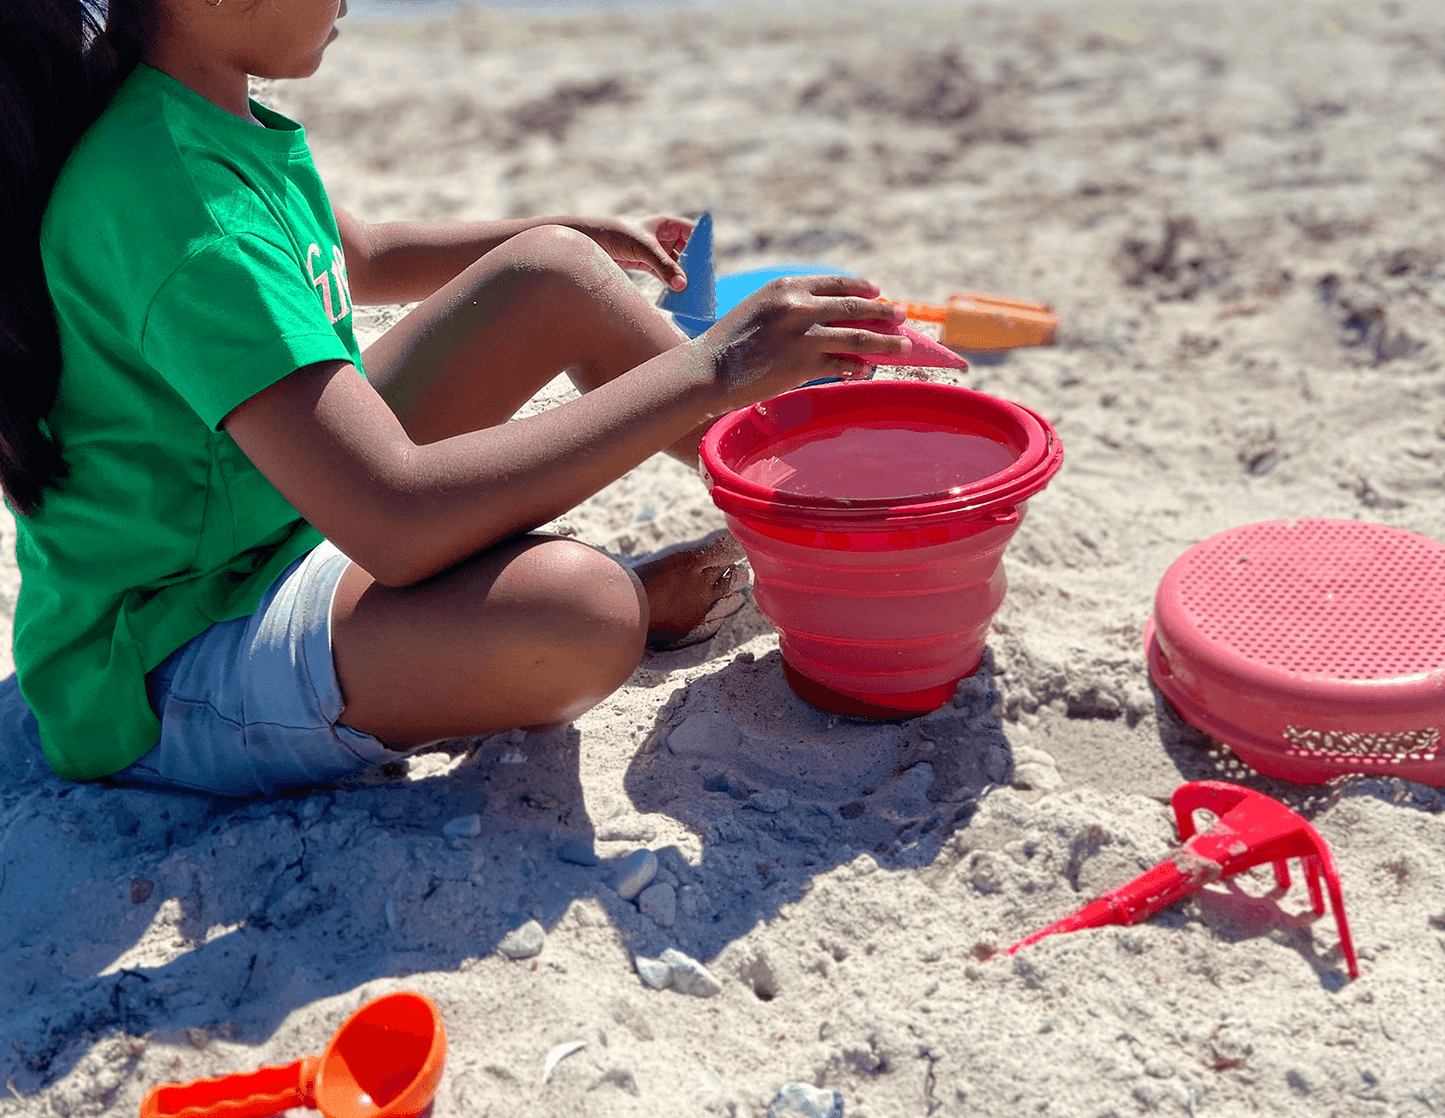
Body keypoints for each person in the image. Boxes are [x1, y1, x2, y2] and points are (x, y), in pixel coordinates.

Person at [0, 0, 911, 798]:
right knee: (583, 613)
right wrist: (713, 367)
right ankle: (630, 588)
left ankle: (807, 500)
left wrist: (561, 230)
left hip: (275, 507)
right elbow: (393, 519)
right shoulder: (178, 207)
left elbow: (360, 255)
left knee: (557, 274)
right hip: (171, 648)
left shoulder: (192, 109)